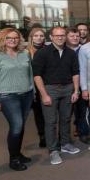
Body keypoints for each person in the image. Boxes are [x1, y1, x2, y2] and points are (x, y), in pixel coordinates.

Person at [0, 28, 34, 171]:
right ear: (2, 40)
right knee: (17, 126)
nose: (13, 40)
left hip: (26, 94)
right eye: (9, 38)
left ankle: (18, 154)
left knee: (20, 126)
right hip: (7, 96)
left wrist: (33, 92)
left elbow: (30, 74)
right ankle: (13, 159)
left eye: (16, 38)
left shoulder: (24, 53)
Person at [31, 26, 81, 165]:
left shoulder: (70, 53)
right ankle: (53, 150)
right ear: (51, 37)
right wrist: (44, 94)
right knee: (51, 122)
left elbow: (75, 73)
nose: (60, 37)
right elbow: (37, 76)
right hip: (50, 90)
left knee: (66, 119)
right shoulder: (42, 53)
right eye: (57, 35)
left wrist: (76, 91)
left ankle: (65, 144)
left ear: (65, 37)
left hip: (68, 89)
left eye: (62, 35)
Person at [66, 29, 90, 143]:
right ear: (67, 37)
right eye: (72, 36)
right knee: (66, 113)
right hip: (66, 84)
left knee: (82, 110)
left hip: (82, 83)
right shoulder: (63, 50)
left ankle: (83, 132)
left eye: (77, 36)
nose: (75, 38)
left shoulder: (84, 49)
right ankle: (64, 138)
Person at [26, 27, 47, 147]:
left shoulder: (48, 50)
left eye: (41, 36)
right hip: (33, 86)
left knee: (50, 112)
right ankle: (42, 136)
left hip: (47, 84)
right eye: (36, 36)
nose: (39, 38)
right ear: (31, 38)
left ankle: (51, 134)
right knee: (38, 113)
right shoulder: (25, 52)